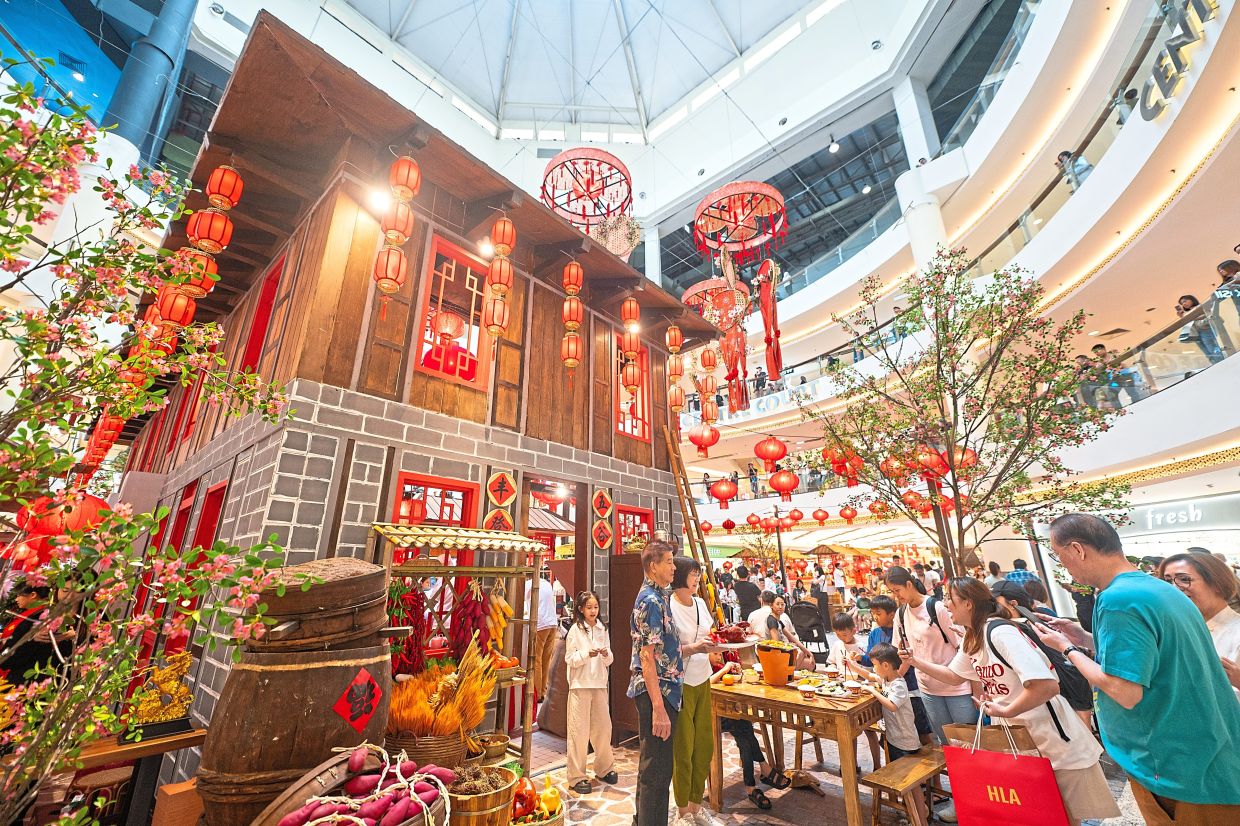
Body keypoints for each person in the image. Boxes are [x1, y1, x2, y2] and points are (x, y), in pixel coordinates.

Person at [1033, 514, 1240, 824]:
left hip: (1174, 762)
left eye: (1057, 554)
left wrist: (1067, 648)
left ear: (1077, 549)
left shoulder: (1118, 599)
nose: (1062, 564)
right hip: (1203, 747)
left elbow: (1124, 691)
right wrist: (1085, 639)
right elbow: (1151, 653)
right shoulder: (1154, 588)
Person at [910, 578, 1119, 826]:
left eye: (949, 598)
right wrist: (914, 662)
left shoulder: (1000, 632)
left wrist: (1006, 709)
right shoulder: (973, 637)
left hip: (1048, 737)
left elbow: (1046, 686)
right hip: (1020, 741)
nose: (945, 604)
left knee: (1061, 814)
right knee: (1037, 812)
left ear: (968, 603)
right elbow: (954, 676)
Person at [887, 566, 973, 823]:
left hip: (957, 687)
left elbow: (964, 645)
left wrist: (976, 687)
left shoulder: (936, 608)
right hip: (928, 689)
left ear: (909, 584)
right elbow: (900, 649)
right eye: (892, 592)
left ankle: (977, 801)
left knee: (969, 746)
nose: (896, 596)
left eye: (897, 590)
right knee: (948, 748)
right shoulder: (901, 614)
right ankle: (960, 801)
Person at [627, 539, 684, 826]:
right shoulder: (650, 600)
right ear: (653, 566)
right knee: (658, 773)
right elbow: (646, 657)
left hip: (663, 691)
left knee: (652, 768)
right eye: (669, 562)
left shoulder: (658, 596)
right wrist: (659, 709)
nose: (674, 567)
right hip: (657, 693)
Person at [669, 556, 721, 826]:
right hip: (681, 684)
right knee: (683, 749)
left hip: (703, 678)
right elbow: (666, 651)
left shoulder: (700, 603)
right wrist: (695, 648)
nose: (698, 578)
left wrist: (717, 647)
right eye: (693, 574)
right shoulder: (669, 606)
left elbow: (710, 637)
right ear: (679, 576)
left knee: (704, 746)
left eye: (698, 573)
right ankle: (683, 812)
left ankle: (696, 805)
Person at [858, 643, 930, 824]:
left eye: (874, 665)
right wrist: (852, 665)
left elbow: (892, 705)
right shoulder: (887, 679)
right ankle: (917, 814)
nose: (873, 668)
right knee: (905, 782)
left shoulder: (898, 684)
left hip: (906, 742)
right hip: (894, 740)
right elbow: (869, 675)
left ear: (885, 666)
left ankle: (921, 818)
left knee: (912, 784)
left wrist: (873, 691)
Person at [1157, 552, 1240, 699]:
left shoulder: (1235, 632)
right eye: (1168, 581)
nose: (1174, 588)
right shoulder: (1171, 631)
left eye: (1184, 579)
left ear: (1217, 583)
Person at [857, 595, 933, 745]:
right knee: (892, 730)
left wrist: (896, 676)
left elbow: (908, 659)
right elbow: (870, 659)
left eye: (879, 613)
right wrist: (859, 658)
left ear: (892, 614)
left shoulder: (902, 632)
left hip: (909, 688)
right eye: (873, 613)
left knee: (921, 731)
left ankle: (929, 757)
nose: (875, 617)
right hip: (887, 687)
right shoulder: (875, 633)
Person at [711, 655, 784, 808]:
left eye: (719, 653)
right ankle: (763, 769)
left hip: (726, 710)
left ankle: (752, 785)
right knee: (743, 726)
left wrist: (735, 671)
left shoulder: (723, 659)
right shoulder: (700, 660)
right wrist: (724, 670)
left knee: (743, 730)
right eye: (715, 653)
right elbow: (706, 684)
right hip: (710, 714)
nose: (718, 656)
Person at [565, 591, 617, 793]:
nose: (593, 611)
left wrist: (605, 654)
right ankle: (576, 776)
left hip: (600, 684)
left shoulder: (603, 629)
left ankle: (605, 768)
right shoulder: (575, 631)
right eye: (589, 607)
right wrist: (587, 654)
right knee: (578, 732)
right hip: (579, 685)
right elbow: (570, 659)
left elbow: (610, 660)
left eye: (595, 607)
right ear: (581, 609)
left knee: (603, 728)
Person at [0, 582, 54, 686]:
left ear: (33, 595)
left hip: (22, 673)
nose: (16, 599)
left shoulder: (39, 616)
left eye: (19, 595)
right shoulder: (29, 614)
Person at [763, 594, 816, 670]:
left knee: (809, 661)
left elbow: (793, 638)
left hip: (783, 654)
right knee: (806, 660)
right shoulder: (772, 621)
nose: (780, 607)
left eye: (782, 604)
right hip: (776, 657)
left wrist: (810, 653)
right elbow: (776, 645)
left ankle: (792, 671)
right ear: (771, 605)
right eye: (777, 604)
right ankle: (789, 672)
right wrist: (790, 646)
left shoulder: (778, 621)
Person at [529, 570, 559, 701]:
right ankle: (543, 691)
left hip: (540, 624)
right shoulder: (546, 583)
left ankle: (536, 694)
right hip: (552, 623)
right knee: (546, 660)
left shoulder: (528, 585)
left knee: (536, 659)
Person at [1176, 295, 1225, 364]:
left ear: (1192, 299)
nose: (1184, 304)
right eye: (1182, 303)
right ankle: (1215, 363)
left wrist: (1190, 317)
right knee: (1208, 353)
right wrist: (1183, 317)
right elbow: (1190, 324)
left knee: (1214, 349)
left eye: (1185, 301)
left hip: (1208, 330)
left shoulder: (1200, 307)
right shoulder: (1187, 313)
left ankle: (1222, 362)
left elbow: (1208, 317)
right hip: (1197, 334)